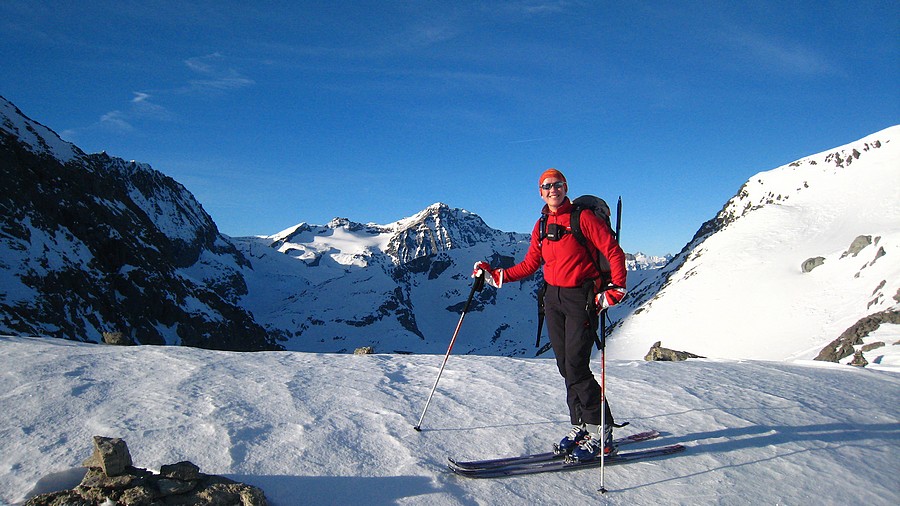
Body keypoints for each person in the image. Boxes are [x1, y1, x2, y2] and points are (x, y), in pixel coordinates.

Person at [472, 168, 627, 461]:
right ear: (540, 192)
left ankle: (601, 431)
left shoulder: (583, 219)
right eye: (546, 186)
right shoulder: (542, 224)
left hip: (581, 298)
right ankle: (581, 425)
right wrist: (497, 275)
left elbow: (613, 250)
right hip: (552, 298)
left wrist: (616, 288)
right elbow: (531, 263)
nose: (552, 189)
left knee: (578, 367)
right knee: (565, 367)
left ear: (565, 188)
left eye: (557, 184)